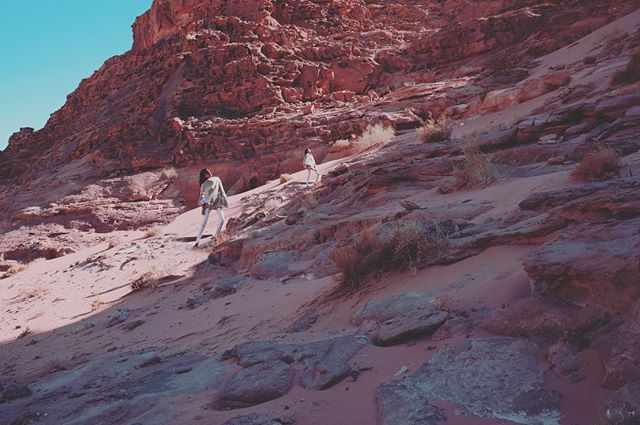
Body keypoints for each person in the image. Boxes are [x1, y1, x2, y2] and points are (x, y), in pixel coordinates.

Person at [194, 168, 228, 248]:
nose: (210, 173)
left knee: (222, 219)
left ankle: (216, 237)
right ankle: (197, 242)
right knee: (203, 223)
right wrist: (203, 208)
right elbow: (202, 196)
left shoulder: (217, 179)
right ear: (205, 175)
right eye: (208, 173)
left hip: (217, 202)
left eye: (210, 171)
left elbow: (222, 190)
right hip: (208, 204)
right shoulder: (204, 185)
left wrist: (225, 199)